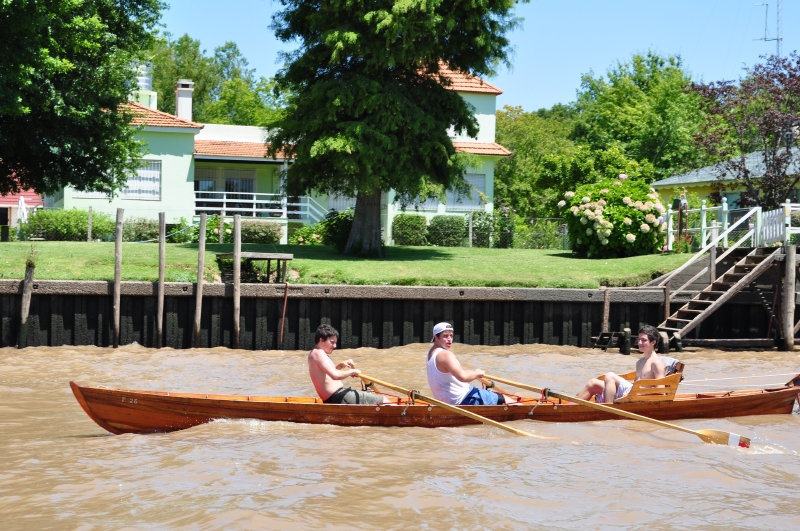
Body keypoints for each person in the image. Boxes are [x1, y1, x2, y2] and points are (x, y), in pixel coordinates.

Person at [577, 325, 665, 404]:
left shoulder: (656, 363)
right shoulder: (640, 362)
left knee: (610, 376)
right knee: (593, 383)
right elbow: (635, 384)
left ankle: (608, 409)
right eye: (639, 339)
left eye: (644, 340)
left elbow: (661, 392)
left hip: (638, 396)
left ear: (653, 342)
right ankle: (571, 407)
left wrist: (631, 395)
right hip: (631, 391)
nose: (639, 343)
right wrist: (630, 393)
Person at [426, 322, 508, 406]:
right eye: (445, 336)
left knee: (496, 396)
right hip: (464, 398)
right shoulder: (446, 355)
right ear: (436, 337)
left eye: (451, 335)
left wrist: (473, 373)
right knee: (506, 399)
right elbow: (463, 377)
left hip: (447, 402)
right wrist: (477, 373)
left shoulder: (430, 353)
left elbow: (455, 373)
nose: (449, 339)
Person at [308, 324, 391, 404]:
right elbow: (335, 376)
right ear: (322, 340)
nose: (335, 346)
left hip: (339, 396)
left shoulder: (316, 353)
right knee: (384, 400)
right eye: (332, 342)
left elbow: (328, 375)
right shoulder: (318, 353)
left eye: (335, 342)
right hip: (338, 396)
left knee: (375, 397)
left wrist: (340, 365)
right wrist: (352, 372)